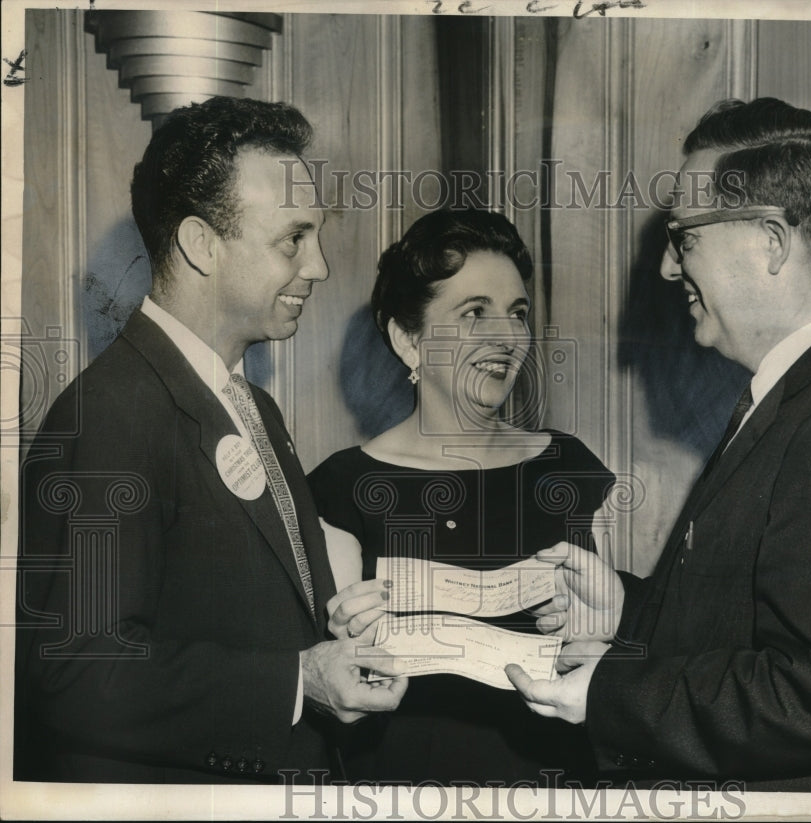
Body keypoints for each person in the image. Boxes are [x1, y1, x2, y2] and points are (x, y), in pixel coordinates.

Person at [507, 97, 811, 793]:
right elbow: (759, 621)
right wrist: (627, 608)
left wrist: (611, 694)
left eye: (684, 238)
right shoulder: (809, 394)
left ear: (771, 241)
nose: (666, 270)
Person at [14, 96, 406, 784]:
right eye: (293, 238)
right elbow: (80, 669)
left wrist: (330, 643)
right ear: (201, 244)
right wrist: (296, 679)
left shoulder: (252, 405)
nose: (318, 266)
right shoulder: (112, 411)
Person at [307, 209, 616, 786]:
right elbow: (339, 696)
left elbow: (601, 652)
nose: (506, 337)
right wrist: (351, 647)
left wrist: (595, 631)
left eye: (517, 314)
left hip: (556, 787)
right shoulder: (343, 486)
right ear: (409, 339)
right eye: (475, 313)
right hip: (403, 791)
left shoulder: (566, 467)